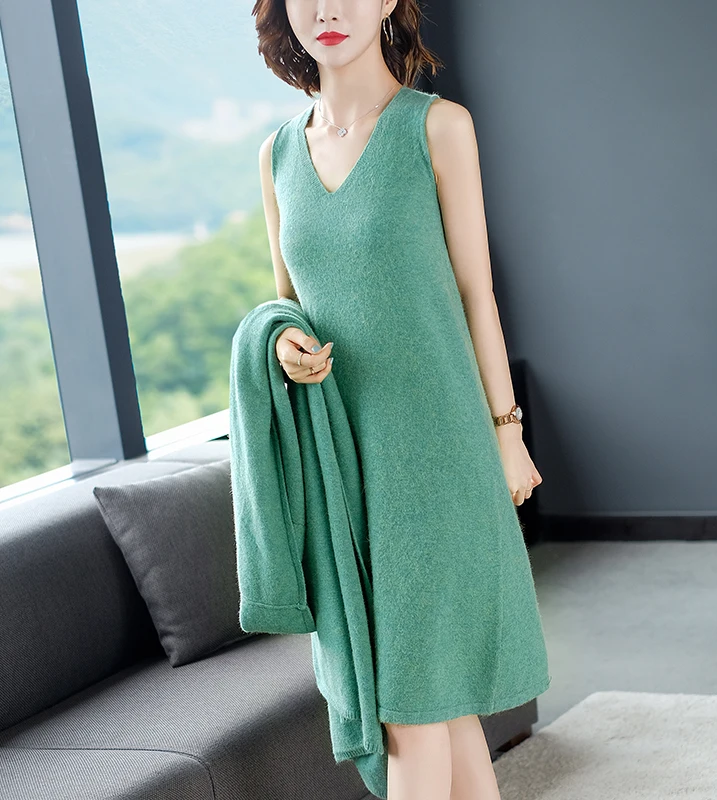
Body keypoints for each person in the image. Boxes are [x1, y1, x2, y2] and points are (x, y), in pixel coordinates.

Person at [253, 1, 551, 797]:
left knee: (410, 711)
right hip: (342, 470)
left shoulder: (437, 127)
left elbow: (477, 293)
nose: (327, 8)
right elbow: (288, 304)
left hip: (437, 456)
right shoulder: (277, 155)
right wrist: (280, 343)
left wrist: (507, 431)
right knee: (440, 709)